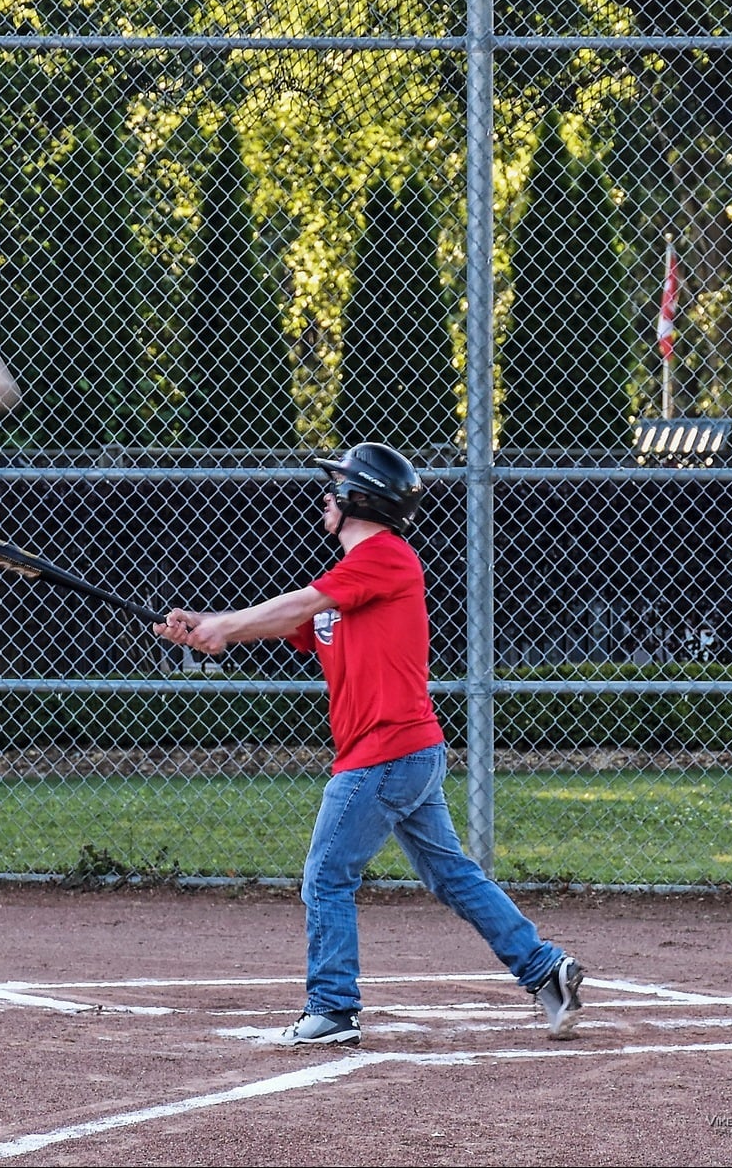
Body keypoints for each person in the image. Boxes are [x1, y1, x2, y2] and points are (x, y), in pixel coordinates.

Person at [152, 442, 584, 1046]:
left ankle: (331, 1009)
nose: (325, 498)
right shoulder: (345, 581)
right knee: (451, 877)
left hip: (384, 751)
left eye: (337, 488)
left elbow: (305, 603)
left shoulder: (386, 556)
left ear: (360, 498)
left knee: (326, 876)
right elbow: (289, 619)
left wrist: (226, 624)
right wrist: (207, 624)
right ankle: (544, 970)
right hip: (402, 751)